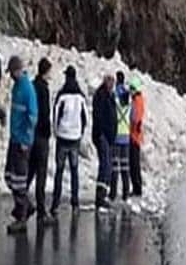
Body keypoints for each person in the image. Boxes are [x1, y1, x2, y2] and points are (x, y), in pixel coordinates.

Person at [4, 56, 38, 234]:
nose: (10, 76)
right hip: (14, 138)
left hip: (22, 143)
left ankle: (22, 217)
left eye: (12, 73)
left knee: (19, 180)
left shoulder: (27, 89)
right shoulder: (17, 87)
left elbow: (32, 116)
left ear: (18, 71)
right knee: (9, 176)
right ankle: (26, 206)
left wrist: (26, 140)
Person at [50, 65, 87, 216]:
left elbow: (55, 115)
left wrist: (57, 132)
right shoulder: (80, 97)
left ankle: (55, 203)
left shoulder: (62, 95)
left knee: (59, 171)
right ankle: (75, 202)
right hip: (75, 138)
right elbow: (85, 119)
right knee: (74, 171)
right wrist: (80, 132)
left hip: (63, 137)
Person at [27, 58, 56, 225]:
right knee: (41, 173)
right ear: (46, 71)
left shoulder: (32, 85)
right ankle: (41, 211)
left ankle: (23, 202)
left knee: (30, 170)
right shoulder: (44, 89)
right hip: (41, 136)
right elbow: (44, 113)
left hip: (31, 134)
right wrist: (47, 131)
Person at [92, 74, 117, 210]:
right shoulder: (101, 96)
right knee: (105, 165)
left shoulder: (109, 95)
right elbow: (100, 116)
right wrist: (103, 133)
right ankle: (100, 196)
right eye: (110, 82)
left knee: (107, 166)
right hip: (103, 135)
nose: (112, 85)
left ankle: (103, 194)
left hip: (108, 136)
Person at [109, 72, 131, 202]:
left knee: (115, 166)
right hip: (126, 136)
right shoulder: (128, 99)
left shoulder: (114, 97)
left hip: (116, 135)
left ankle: (113, 193)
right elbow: (132, 116)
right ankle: (126, 192)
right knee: (125, 166)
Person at [129, 76, 145, 197]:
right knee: (133, 164)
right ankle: (136, 187)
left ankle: (137, 188)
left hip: (134, 137)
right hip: (134, 135)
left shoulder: (137, 101)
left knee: (134, 164)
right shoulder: (137, 100)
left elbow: (136, 118)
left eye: (131, 88)